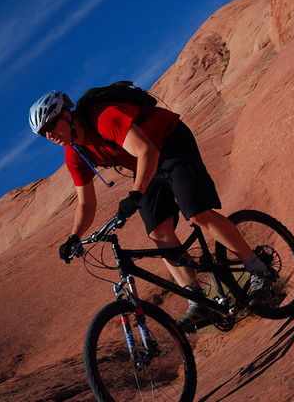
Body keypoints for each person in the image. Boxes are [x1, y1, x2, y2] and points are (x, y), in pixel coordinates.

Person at [29, 89, 273, 330]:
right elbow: (86, 203)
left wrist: (135, 193)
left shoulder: (104, 118)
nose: (50, 134)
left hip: (171, 142)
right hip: (147, 164)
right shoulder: (75, 153)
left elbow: (148, 151)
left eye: (51, 125)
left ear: (68, 115)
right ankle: (198, 301)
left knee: (197, 214)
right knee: (157, 232)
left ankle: (257, 268)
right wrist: (74, 237)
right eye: (43, 133)